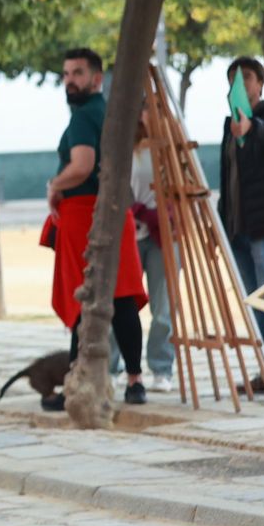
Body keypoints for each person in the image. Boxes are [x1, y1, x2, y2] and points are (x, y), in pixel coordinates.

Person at [46, 48, 148, 409]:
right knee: (121, 298)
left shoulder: (83, 117)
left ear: (97, 79)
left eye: (78, 73)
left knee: (83, 299)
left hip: (85, 216)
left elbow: (82, 165)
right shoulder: (108, 113)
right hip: (114, 211)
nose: (70, 80)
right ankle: (135, 382)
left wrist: (55, 185)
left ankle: (79, 382)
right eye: (66, 74)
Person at [218, 55, 264, 383]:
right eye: (234, 77)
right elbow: (227, 176)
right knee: (255, 302)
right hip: (239, 229)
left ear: (259, 83)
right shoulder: (229, 125)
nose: (240, 82)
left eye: (246, 76)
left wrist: (252, 126)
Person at [112, 120, 174, 391]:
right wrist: (136, 210)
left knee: (162, 308)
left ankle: (161, 368)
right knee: (122, 302)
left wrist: (160, 217)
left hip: (162, 233)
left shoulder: (171, 146)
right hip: (131, 231)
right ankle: (113, 366)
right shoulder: (129, 146)